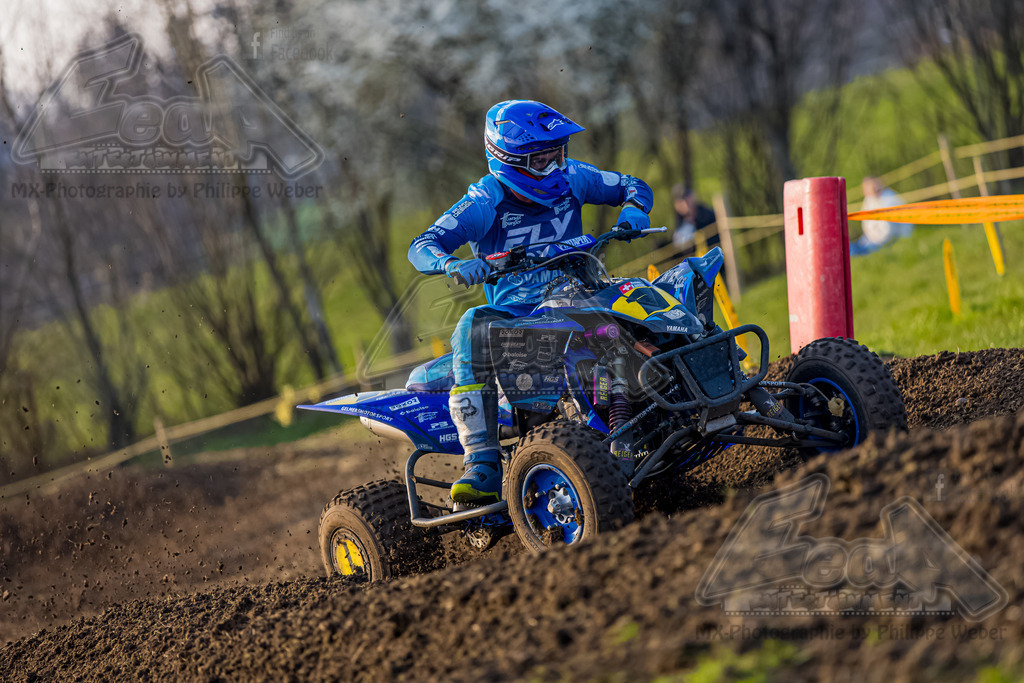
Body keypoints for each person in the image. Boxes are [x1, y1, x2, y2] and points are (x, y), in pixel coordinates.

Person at [407, 100, 653, 504]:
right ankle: (482, 463)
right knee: (472, 322)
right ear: (508, 159)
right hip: (516, 316)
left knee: (645, 296)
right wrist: (452, 263)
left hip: (580, 294)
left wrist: (634, 209)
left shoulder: (574, 177)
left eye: (557, 154)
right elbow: (422, 245)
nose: (554, 167)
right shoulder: (486, 199)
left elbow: (631, 184)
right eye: (541, 159)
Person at [850, 177, 913, 256]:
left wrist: (873, 239)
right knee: (850, 248)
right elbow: (866, 222)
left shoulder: (889, 199)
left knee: (854, 251)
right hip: (871, 238)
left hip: (887, 239)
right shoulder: (869, 200)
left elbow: (887, 230)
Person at [671, 185, 717, 256]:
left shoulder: (709, 216)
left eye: (684, 198)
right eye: (678, 201)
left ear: (692, 196)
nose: (682, 203)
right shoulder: (679, 225)